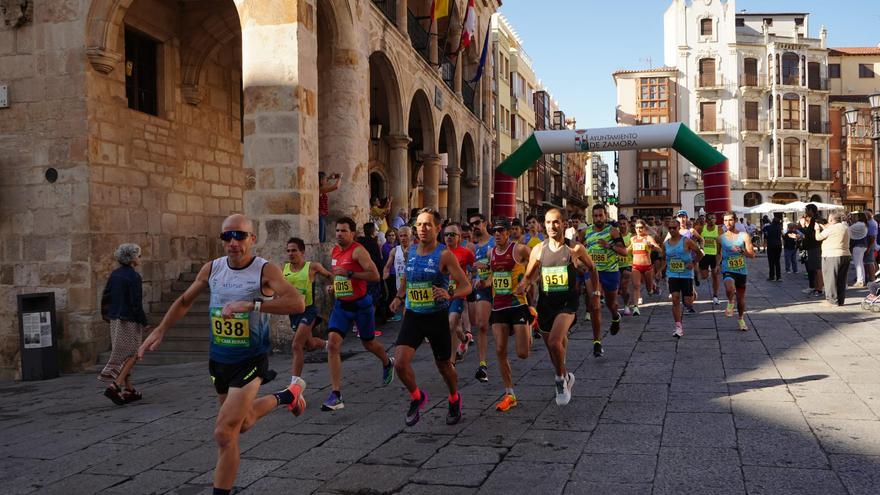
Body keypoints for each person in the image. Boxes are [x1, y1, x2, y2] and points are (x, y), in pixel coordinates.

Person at [138, 214, 306, 495]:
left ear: (252, 239)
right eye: (227, 236)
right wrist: (161, 329)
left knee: (223, 433)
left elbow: (296, 302)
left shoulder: (265, 271)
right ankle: (287, 395)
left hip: (250, 360)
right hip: (219, 360)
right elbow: (184, 300)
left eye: (239, 236)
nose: (233, 242)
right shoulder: (213, 268)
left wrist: (251, 305)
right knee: (243, 423)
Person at [389, 209, 472, 426]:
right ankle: (417, 397)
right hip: (413, 315)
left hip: (436, 316)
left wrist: (450, 294)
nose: (423, 229)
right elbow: (407, 278)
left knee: (444, 366)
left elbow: (466, 285)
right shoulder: (412, 251)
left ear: (437, 228)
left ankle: (454, 398)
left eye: (428, 225)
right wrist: (399, 297)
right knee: (399, 363)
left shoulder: (444, 254)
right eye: (419, 224)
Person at [518, 208, 598, 405]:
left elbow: (592, 268)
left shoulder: (575, 249)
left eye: (555, 222)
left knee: (555, 342)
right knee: (553, 347)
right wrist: (522, 286)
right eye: (547, 222)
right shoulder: (538, 250)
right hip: (545, 304)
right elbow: (529, 276)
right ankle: (565, 375)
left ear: (564, 224)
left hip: (567, 303)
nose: (552, 226)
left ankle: (560, 380)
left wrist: (595, 292)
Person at [324, 217, 395, 411]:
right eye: (337, 230)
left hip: (361, 305)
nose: (339, 234)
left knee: (368, 343)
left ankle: (388, 362)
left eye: (344, 231)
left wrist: (351, 275)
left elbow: (375, 275)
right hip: (341, 305)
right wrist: (334, 285)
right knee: (332, 344)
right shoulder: (335, 250)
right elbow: (338, 273)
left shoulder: (358, 251)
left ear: (352, 233)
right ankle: (336, 394)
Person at [485, 218, 532, 411]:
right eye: (494, 231)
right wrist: (483, 282)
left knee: (523, 353)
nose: (496, 234)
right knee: (499, 350)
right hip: (499, 306)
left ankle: (531, 319)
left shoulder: (519, 249)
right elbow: (493, 276)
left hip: (517, 304)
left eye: (500, 231)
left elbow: (535, 262)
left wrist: (527, 281)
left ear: (507, 232)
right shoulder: (491, 252)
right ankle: (509, 392)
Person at [99, 243, 150, 405]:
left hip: (115, 319)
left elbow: (106, 296)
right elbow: (136, 303)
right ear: (131, 258)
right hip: (129, 320)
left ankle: (129, 389)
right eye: (138, 255)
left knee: (125, 354)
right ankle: (115, 385)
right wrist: (144, 322)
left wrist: (107, 315)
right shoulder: (134, 277)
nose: (140, 258)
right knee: (133, 354)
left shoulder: (114, 274)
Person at [283, 237, 332, 388]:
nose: (291, 254)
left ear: (302, 252)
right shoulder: (283, 270)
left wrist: (331, 286)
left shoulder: (312, 267)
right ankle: (328, 344)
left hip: (308, 310)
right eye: (288, 251)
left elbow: (330, 275)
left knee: (296, 345)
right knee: (309, 344)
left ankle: (294, 384)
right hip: (293, 313)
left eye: (294, 250)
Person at [584, 204, 629, 354]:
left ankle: (615, 317)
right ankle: (597, 341)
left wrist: (609, 246)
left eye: (600, 215)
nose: (597, 218)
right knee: (595, 305)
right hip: (593, 273)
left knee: (612, 304)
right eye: (595, 216)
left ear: (605, 216)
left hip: (610, 272)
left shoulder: (613, 232)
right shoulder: (586, 232)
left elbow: (624, 252)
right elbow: (578, 249)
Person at [443, 223, 476, 363]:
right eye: (446, 235)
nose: (449, 237)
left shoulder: (466, 252)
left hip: (458, 293)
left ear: (459, 237)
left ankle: (452, 359)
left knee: (452, 322)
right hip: (443, 292)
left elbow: (474, 267)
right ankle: (464, 338)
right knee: (454, 326)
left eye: (452, 235)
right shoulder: (440, 252)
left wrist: (470, 278)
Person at [664, 218, 702, 338]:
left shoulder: (686, 241)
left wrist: (693, 263)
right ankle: (678, 326)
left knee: (687, 303)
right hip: (673, 274)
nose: (671, 230)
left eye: (674, 228)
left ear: (679, 228)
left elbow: (700, 253)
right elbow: (666, 259)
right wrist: (660, 271)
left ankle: (693, 294)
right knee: (675, 299)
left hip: (686, 274)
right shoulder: (666, 243)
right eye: (669, 228)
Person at [467, 212, 494, 383]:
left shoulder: (495, 241)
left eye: (477, 223)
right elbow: (470, 269)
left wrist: (488, 265)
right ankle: (482, 364)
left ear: (485, 223)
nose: (475, 226)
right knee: (482, 325)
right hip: (481, 289)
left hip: (500, 289)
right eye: (472, 224)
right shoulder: (472, 247)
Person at [719, 212, 756, 330]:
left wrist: (741, 251)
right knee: (730, 288)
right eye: (725, 220)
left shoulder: (744, 235)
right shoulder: (720, 238)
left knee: (741, 299)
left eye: (730, 220)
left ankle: (740, 319)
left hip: (741, 270)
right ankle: (730, 301)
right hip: (727, 268)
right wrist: (715, 265)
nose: (727, 223)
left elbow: (752, 255)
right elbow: (718, 254)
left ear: (735, 220)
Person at [816, 211, 852, 306]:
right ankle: (840, 300)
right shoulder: (845, 226)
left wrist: (817, 229)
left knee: (830, 279)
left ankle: (831, 301)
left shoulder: (831, 228)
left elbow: (818, 237)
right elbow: (833, 233)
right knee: (841, 279)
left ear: (831, 219)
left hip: (831, 255)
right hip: (845, 254)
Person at [628, 220, 663, 315]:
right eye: (637, 227)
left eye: (641, 227)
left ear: (645, 228)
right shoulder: (633, 238)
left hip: (647, 267)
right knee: (636, 286)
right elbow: (628, 249)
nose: (639, 229)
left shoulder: (648, 238)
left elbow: (659, 249)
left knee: (649, 290)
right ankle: (636, 308)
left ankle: (652, 287)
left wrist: (652, 246)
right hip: (635, 266)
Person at [383, 226, 412, 322]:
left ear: (411, 236)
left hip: (413, 285)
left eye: (406, 235)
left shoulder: (416, 250)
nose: (403, 238)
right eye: (401, 236)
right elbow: (387, 266)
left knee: (408, 311)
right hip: (400, 285)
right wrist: (385, 273)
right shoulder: (395, 250)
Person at [801, 204, 825, 297]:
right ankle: (815, 287)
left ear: (811, 210)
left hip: (815, 247)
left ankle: (819, 289)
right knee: (813, 268)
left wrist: (800, 228)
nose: (806, 212)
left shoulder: (816, 219)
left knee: (817, 268)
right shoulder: (814, 219)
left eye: (807, 210)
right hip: (811, 247)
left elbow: (809, 232)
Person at [698, 213, 722, 304]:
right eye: (710, 218)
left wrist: (718, 263)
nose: (712, 220)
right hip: (704, 255)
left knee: (715, 275)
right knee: (704, 276)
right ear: (706, 220)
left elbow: (721, 246)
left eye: (714, 218)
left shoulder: (718, 229)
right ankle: (706, 271)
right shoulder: (701, 228)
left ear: (716, 220)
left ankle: (715, 296)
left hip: (714, 255)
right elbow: (695, 239)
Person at [617, 216, 634, 316]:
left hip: (627, 263)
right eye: (620, 224)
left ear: (627, 224)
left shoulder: (631, 236)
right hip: (615, 264)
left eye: (624, 224)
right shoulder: (614, 236)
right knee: (616, 288)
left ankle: (627, 306)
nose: (622, 226)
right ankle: (617, 306)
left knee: (624, 286)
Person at [318, 172, 342, 243]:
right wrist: (340, 178)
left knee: (323, 238)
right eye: (325, 179)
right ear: (321, 180)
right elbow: (336, 187)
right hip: (320, 216)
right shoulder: (320, 190)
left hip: (322, 216)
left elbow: (324, 180)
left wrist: (330, 177)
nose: (326, 181)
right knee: (321, 239)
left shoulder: (321, 188)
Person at [849, 212, 869, 288]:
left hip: (858, 246)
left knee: (858, 264)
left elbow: (848, 230)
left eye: (856, 216)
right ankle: (862, 280)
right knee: (860, 263)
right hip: (863, 245)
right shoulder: (863, 224)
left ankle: (860, 281)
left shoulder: (859, 224)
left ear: (859, 217)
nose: (855, 218)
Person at [763, 216, 783, 282]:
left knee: (771, 261)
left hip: (771, 245)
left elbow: (763, 230)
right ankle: (779, 277)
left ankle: (772, 276)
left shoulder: (768, 227)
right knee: (777, 261)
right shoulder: (779, 228)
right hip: (778, 245)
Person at [864, 209, 877, 282]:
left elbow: (872, 237)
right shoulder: (870, 222)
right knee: (868, 262)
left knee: (870, 262)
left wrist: (868, 248)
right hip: (869, 244)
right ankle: (870, 278)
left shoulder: (871, 223)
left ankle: (872, 278)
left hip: (870, 244)